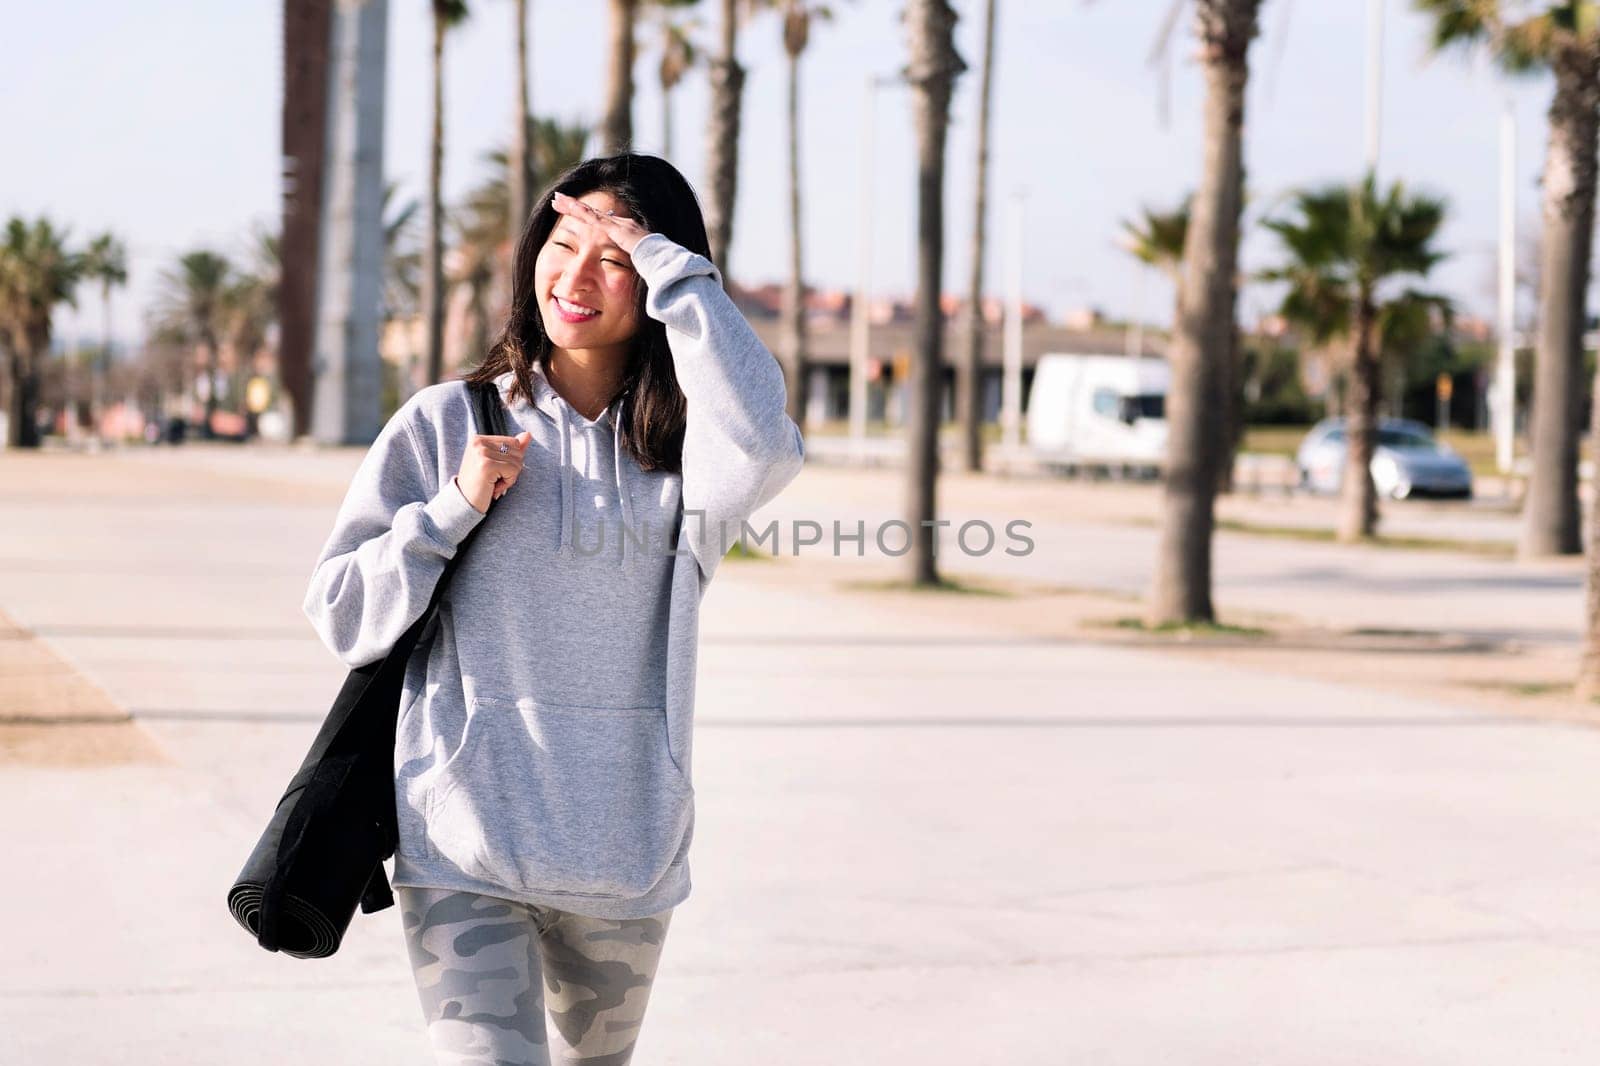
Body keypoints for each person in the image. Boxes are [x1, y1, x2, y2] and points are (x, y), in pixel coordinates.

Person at [299, 153, 806, 1064]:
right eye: (561, 243)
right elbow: (340, 609)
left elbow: (768, 447)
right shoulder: (443, 421)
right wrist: (448, 510)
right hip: (463, 843)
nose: (575, 278)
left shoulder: (687, 453)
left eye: (612, 258)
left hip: (622, 851)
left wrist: (678, 276)